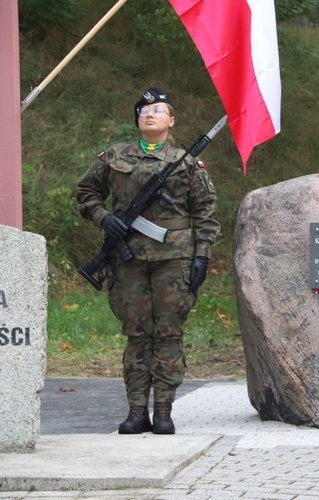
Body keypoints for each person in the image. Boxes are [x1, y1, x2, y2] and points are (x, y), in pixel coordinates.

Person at [76, 86, 221, 434]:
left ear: (171, 119)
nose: (149, 113)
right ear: (137, 120)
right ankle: (137, 410)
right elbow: (85, 192)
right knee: (137, 335)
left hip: (174, 260)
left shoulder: (187, 163)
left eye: (158, 109)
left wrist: (202, 256)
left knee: (168, 334)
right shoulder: (114, 156)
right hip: (128, 261)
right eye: (143, 110)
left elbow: (205, 213)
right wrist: (103, 217)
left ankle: (164, 411)